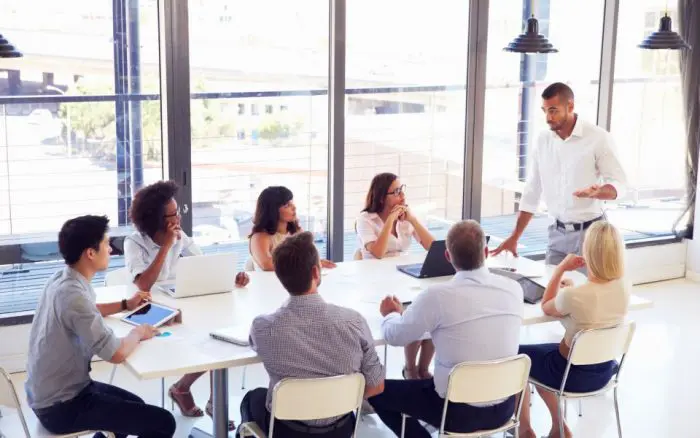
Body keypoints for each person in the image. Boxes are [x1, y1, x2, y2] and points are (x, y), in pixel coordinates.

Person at [367, 220, 523, 437]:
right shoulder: (514, 289)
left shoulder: (437, 296)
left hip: (455, 412)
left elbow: (395, 336)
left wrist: (391, 314)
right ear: (486, 252)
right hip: (505, 408)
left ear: (448, 256)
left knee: (375, 391)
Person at [25, 215, 176, 438]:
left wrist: (126, 304)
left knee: (136, 405)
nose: (111, 250)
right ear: (90, 253)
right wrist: (138, 332)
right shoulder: (74, 295)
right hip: (63, 407)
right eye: (106, 244)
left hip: (51, 394)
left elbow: (87, 310)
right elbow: (115, 353)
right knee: (163, 422)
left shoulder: (62, 279)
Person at [124, 180, 248, 430]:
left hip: (178, 300)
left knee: (219, 333)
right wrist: (167, 245)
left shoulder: (181, 235)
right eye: (173, 214)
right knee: (210, 338)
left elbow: (204, 263)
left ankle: (209, 399)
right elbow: (144, 284)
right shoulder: (134, 242)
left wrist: (230, 276)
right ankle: (184, 389)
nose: (178, 218)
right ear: (156, 219)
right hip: (148, 307)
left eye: (178, 211)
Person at [240, 231, 385, 438]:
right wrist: (336, 399)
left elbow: (255, 344)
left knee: (251, 398)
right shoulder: (354, 321)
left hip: (287, 431)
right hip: (340, 429)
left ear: (280, 277)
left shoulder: (263, 327)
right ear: (316, 273)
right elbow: (377, 385)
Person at [491, 82, 627, 267]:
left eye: (553, 110)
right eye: (545, 110)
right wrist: (514, 237)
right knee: (550, 292)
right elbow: (532, 191)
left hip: (591, 233)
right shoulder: (543, 140)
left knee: (586, 294)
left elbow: (619, 184)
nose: (548, 117)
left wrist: (598, 192)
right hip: (556, 233)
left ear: (570, 106)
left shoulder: (598, 138)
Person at [517, 221, 629, 438]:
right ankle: (559, 429)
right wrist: (573, 292)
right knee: (542, 359)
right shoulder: (624, 286)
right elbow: (595, 303)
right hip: (605, 372)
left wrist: (560, 269)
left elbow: (547, 305)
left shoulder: (574, 296)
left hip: (569, 375)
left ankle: (525, 431)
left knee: (518, 357)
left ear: (589, 252)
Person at [356, 172, 435, 380]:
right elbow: (378, 252)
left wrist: (414, 221)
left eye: (402, 190)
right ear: (382, 197)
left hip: (403, 277)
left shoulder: (406, 219)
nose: (402, 196)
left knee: (432, 312)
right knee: (414, 316)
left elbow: (432, 247)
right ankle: (410, 369)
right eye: (396, 192)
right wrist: (390, 220)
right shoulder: (366, 220)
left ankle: (423, 368)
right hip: (376, 281)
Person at [246, 185, 336, 271]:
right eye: (287, 205)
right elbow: (267, 264)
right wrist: (307, 263)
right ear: (272, 211)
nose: (294, 207)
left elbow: (311, 257)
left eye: (292, 203)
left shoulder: (297, 232)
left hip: (292, 283)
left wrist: (317, 262)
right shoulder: (260, 237)